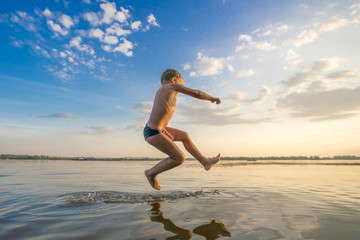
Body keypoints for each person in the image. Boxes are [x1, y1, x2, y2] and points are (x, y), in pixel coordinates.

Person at [144, 69, 221, 190]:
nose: (180, 89)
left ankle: (205, 162)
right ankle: (150, 173)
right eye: (181, 85)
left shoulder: (162, 91)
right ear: (174, 80)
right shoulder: (171, 86)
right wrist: (212, 98)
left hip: (160, 129)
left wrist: (165, 132)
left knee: (184, 135)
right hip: (153, 131)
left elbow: (159, 116)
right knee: (179, 158)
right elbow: (197, 93)